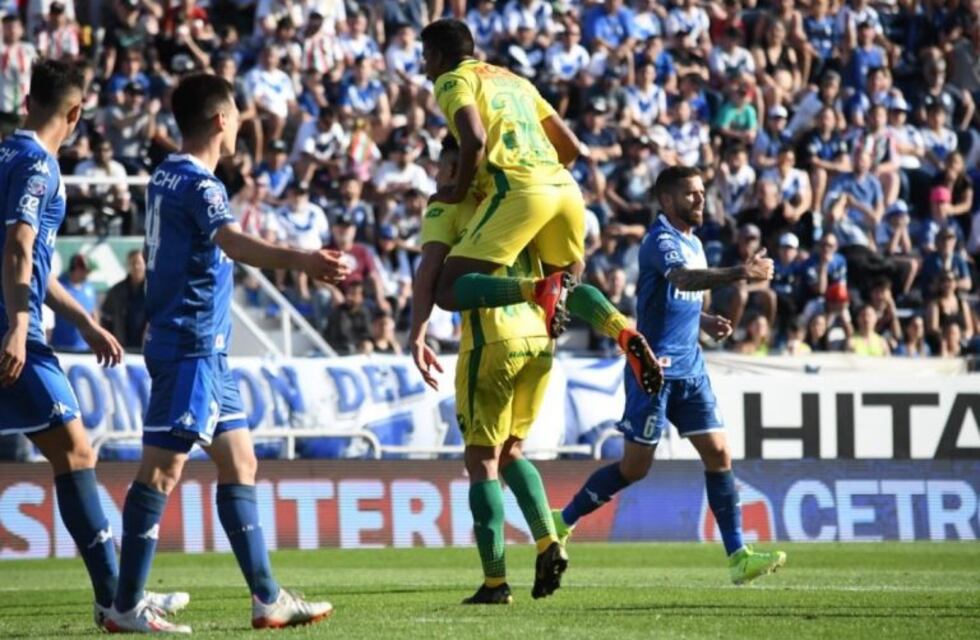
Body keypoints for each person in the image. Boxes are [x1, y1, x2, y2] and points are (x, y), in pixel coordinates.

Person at [103, 73, 346, 633]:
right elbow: (233, 242)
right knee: (162, 472)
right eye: (237, 113)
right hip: (189, 346)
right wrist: (304, 260)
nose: (241, 121)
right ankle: (125, 604)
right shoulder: (203, 188)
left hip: (207, 353)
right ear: (220, 120)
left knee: (241, 462)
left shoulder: (168, 174)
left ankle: (268, 599)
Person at [0, 58, 187, 633]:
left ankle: (117, 595)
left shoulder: (6, 154)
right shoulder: (37, 165)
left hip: (19, 320)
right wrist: (16, 324)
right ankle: (117, 600)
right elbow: (18, 248)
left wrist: (82, 319)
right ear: (77, 113)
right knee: (77, 452)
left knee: (69, 452)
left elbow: (36, 263)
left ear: (29, 100)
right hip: (13, 331)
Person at [553, 166, 787, 585]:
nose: (699, 199)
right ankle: (563, 519)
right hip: (653, 370)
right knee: (634, 467)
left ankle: (738, 556)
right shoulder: (660, 241)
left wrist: (705, 319)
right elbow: (679, 277)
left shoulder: (693, 243)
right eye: (690, 194)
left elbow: (678, 296)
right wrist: (740, 272)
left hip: (691, 368)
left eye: (701, 192)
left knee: (719, 453)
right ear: (666, 200)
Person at [419, 19, 662, 396]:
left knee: (448, 289)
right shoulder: (515, 81)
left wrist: (457, 191)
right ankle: (622, 330)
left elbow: (474, 140)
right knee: (568, 282)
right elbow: (573, 148)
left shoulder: (452, 80)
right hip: (565, 188)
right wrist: (544, 180)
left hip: (519, 188)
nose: (423, 66)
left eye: (424, 57)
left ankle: (536, 290)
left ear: (436, 55)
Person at [411, 137, 566, 604]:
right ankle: (547, 541)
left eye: (449, 166)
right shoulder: (517, 198)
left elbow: (429, 272)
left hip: (491, 339)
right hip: (539, 340)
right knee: (513, 451)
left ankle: (496, 582)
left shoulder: (446, 208)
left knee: (481, 461)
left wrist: (417, 332)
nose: (447, 176)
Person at [50, 254, 98, 352]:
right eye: (85, 270)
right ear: (76, 269)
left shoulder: (89, 287)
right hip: (60, 347)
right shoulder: (59, 286)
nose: (88, 274)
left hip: (84, 347)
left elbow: (93, 312)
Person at [101, 249, 147, 351]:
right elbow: (106, 318)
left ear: (145, 265)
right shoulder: (116, 291)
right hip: (122, 347)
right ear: (127, 266)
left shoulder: (152, 291)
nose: (136, 267)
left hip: (146, 346)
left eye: (139, 263)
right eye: (132, 263)